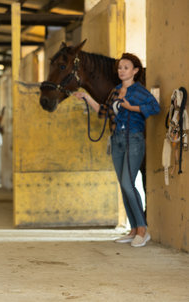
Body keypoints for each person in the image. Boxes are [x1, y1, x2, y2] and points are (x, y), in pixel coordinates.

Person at [73, 53, 160, 247]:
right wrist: (86, 97)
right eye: (120, 68)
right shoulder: (115, 91)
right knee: (123, 185)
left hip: (134, 139)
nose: (122, 71)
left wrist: (132, 107)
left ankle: (142, 229)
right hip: (117, 140)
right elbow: (104, 112)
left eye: (126, 67)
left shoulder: (139, 92)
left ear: (135, 71)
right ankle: (133, 230)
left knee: (129, 184)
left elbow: (155, 107)